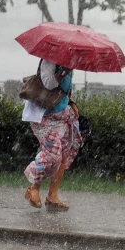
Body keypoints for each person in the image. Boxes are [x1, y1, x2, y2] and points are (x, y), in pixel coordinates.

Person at [22, 59, 82, 211]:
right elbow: (48, 84)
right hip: (44, 116)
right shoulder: (49, 61)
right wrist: (64, 71)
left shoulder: (67, 62)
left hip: (62, 114)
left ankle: (52, 196)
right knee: (52, 155)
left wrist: (71, 103)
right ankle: (33, 188)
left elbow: (63, 89)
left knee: (63, 154)